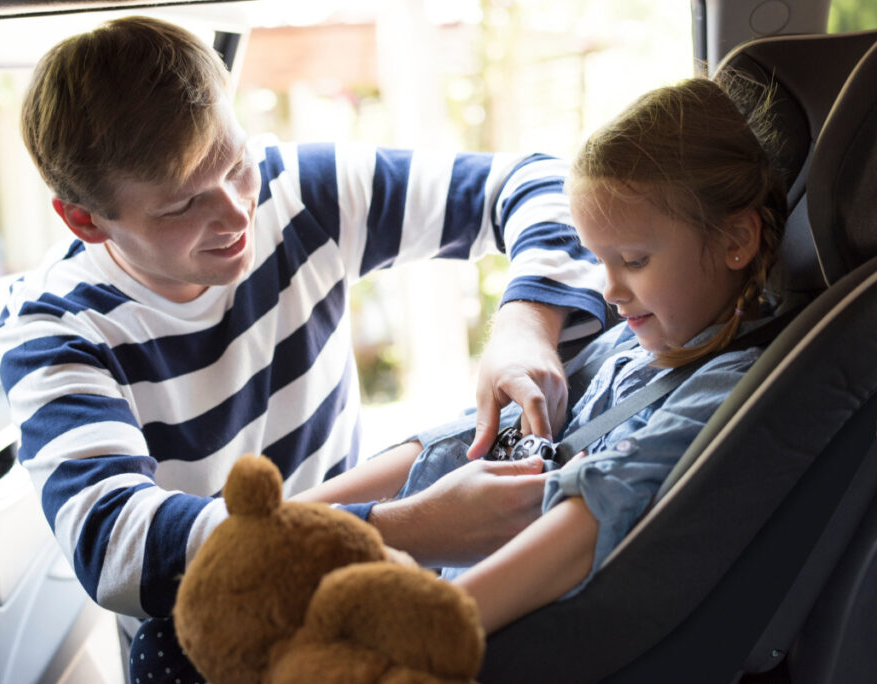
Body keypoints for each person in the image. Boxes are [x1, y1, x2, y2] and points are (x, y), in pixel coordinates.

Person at [0, 14, 606, 669]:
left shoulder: (299, 192)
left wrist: (525, 327)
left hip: (357, 601)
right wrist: (413, 526)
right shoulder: (54, 329)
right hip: (217, 648)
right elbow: (118, 548)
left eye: (235, 162)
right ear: (85, 220)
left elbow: (548, 187)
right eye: (180, 206)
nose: (235, 213)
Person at [287, 75, 788, 638]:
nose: (608, 290)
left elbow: (589, 518)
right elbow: (470, 441)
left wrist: (407, 638)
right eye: (601, 260)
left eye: (633, 260)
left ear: (736, 241)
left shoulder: (725, 388)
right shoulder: (630, 346)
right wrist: (277, 528)